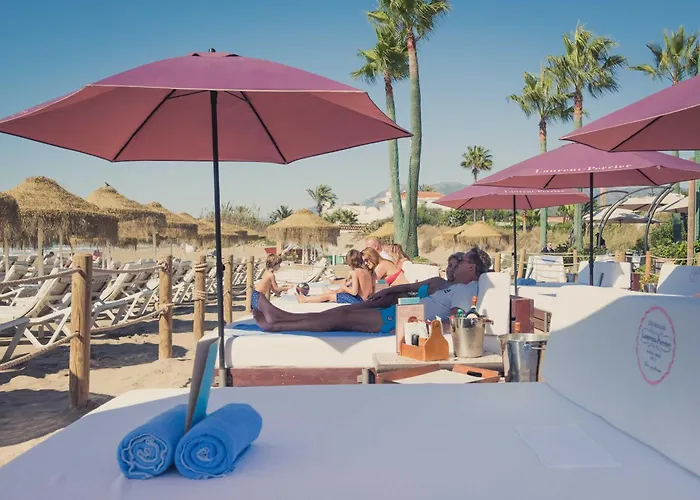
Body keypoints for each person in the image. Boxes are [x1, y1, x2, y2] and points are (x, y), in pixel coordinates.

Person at [253, 247, 490, 333]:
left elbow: (457, 320)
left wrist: (423, 329)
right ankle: (280, 317)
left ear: (471, 267)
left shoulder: (466, 289)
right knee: (341, 313)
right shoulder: (452, 286)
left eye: (461, 262)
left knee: (341, 317)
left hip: (400, 322)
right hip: (398, 314)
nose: (456, 265)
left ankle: (278, 323)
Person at [297, 249, 372, 304]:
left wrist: (344, 287)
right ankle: (312, 297)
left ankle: (305, 300)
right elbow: (369, 290)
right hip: (363, 299)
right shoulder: (366, 271)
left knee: (329, 296)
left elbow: (354, 292)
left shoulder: (356, 272)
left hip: (357, 300)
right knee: (333, 294)